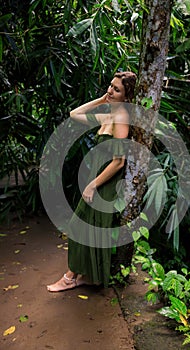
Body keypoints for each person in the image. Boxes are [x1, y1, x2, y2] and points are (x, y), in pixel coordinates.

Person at [47, 71, 137, 292]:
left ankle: (70, 277)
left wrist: (93, 184)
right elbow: (74, 114)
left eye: (117, 89)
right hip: (96, 180)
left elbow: (118, 161)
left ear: (126, 96)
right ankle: (91, 277)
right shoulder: (109, 116)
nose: (110, 91)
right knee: (89, 230)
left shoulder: (121, 118)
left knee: (79, 227)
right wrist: (102, 99)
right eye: (110, 86)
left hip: (104, 184)